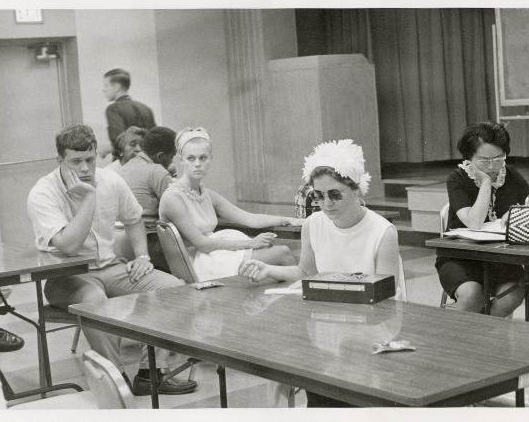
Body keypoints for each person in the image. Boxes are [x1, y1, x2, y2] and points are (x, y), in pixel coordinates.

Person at [26, 125, 197, 396]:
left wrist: (142, 256)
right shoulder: (43, 192)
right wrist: (89, 198)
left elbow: (133, 219)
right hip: (67, 276)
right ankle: (116, 382)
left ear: (96, 154)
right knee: (95, 300)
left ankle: (151, 373)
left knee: (174, 288)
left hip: (112, 267)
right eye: (76, 162)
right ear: (60, 160)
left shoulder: (111, 180)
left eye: (90, 160)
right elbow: (68, 246)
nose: (84, 168)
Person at [239, 139, 406, 407]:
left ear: (357, 189)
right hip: (326, 321)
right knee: (280, 354)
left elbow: (387, 295)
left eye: (335, 194)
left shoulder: (383, 231)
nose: (326, 203)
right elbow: (307, 271)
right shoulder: (313, 224)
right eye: (319, 196)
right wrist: (269, 269)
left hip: (370, 329)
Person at [159, 127, 301, 282]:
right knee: (283, 253)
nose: (198, 164)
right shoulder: (173, 198)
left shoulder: (206, 193)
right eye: (191, 158)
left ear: (211, 159)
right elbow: (202, 244)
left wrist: (288, 220)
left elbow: (249, 218)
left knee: (277, 263)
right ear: (181, 160)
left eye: (203, 158)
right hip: (198, 263)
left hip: (214, 254)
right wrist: (250, 243)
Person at [435, 121, 529, 317]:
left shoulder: (511, 174)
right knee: (472, 294)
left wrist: (518, 213)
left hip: (502, 258)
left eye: (499, 158)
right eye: (484, 160)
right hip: (460, 258)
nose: (492, 166)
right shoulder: (457, 179)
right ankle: (468, 341)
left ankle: (484, 335)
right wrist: (486, 183)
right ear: (469, 157)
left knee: (513, 294)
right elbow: (474, 222)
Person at [119, 126, 178, 271]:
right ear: (160, 156)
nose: (171, 162)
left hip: (123, 242)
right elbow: (180, 209)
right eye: (172, 157)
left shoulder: (123, 169)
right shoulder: (157, 171)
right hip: (150, 241)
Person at [102, 68, 156, 160]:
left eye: (106, 86)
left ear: (116, 87)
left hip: (127, 163)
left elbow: (119, 140)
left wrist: (106, 149)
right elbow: (154, 138)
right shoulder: (146, 108)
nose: (103, 90)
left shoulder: (113, 109)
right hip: (148, 161)